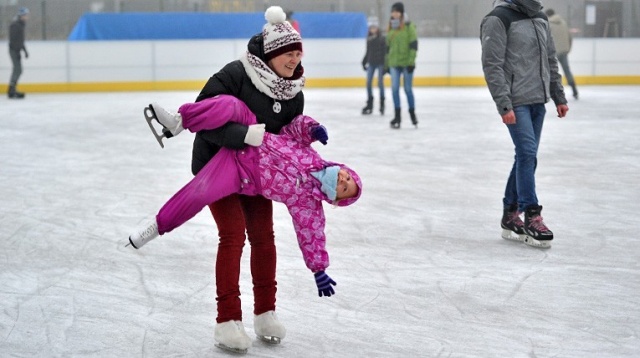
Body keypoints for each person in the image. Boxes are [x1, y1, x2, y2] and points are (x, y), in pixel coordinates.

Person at [128, 96, 362, 345]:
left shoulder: (308, 206)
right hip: (253, 136)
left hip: (242, 173)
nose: (344, 182)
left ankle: (159, 225)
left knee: (200, 191)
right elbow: (295, 127)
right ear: (343, 169)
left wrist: (319, 268)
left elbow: (312, 236)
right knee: (233, 105)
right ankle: (180, 120)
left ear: (336, 200)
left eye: (345, 189)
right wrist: (313, 128)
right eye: (348, 178)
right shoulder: (311, 153)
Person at [142, 5, 304, 353]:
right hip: (216, 164)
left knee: (264, 236)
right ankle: (227, 321)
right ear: (272, 53)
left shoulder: (293, 94)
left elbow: (285, 142)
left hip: (254, 175)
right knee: (232, 234)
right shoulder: (235, 74)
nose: (294, 61)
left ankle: (266, 313)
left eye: (297, 54)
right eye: (288, 54)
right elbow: (205, 121)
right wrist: (243, 135)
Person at [481, 0, 569, 249]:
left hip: (538, 101)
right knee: (528, 153)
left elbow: (550, 60)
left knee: (525, 156)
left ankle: (510, 214)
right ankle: (531, 214)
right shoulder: (498, 18)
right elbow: (493, 64)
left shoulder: (540, 18)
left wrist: (558, 96)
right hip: (516, 101)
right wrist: (504, 104)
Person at [386, 2, 418, 129]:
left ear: (401, 13)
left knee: (407, 89)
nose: (394, 14)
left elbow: (414, 45)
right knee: (394, 89)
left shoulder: (409, 26)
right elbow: (388, 47)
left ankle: (412, 113)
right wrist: (387, 64)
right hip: (394, 63)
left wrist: (411, 62)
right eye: (393, 11)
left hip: (406, 63)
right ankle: (397, 116)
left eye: (397, 11)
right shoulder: (391, 27)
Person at [545, 8, 579, 100]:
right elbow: (570, 37)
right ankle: (575, 91)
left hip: (552, 52)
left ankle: (553, 93)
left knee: (552, 72)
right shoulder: (563, 23)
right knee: (567, 71)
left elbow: (546, 39)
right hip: (564, 51)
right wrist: (568, 49)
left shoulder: (548, 24)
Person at [361, 17, 386, 115]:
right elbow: (368, 52)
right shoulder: (369, 39)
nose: (373, 30)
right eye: (371, 28)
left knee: (380, 83)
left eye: (374, 28)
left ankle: (382, 104)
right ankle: (370, 104)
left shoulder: (382, 39)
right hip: (371, 63)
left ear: (378, 28)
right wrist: (364, 62)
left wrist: (385, 66)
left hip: (380, 63)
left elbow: (385, 53)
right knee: (368, 83)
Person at [8, 7, 29, 99]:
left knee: (18, 69)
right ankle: (11, 90)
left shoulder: (20, 24)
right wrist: (17, 51)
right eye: (26, 15)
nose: (27, 17)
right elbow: (14, 39)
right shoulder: (16, 25)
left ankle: (12, 89)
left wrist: (24, 51)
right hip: (14, 50)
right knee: (18, 69)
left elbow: (21, 40)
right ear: (22, 15)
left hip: (16, 50)